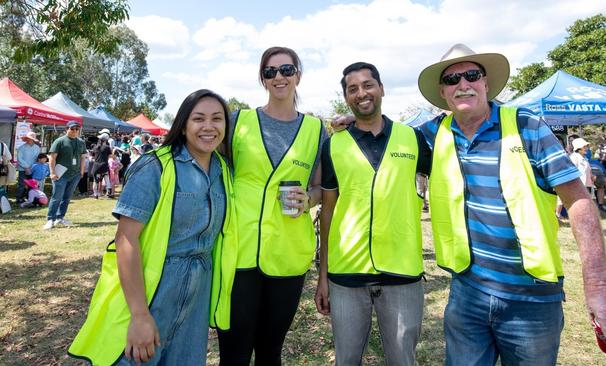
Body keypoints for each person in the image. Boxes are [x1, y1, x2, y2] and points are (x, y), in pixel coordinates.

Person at [415, 44, 606, 365]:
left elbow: (580, 201)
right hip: (467, 292)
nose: (463, 84)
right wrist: (352, 123)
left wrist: (599, 287)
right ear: (443, 92)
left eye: (471, 75)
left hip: (531, 298)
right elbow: (385, 137)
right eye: (452, 79)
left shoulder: (527, 126)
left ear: (486, 83)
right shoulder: (432, 134)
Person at [68, 89, 237, 365]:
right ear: (183, 126)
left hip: (196, 299)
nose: (209, 126)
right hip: (152, 293)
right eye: (199, 119)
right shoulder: (154, 166)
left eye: (217, 119)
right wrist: (140, 315)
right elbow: (126, 239)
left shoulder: (224, 171)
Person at [217, 46, 327, 365]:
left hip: (287, 254)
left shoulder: (316, 129)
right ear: (263, 79)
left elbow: (319, 187)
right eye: (270, 72)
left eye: (286, 70)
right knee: (234, 354)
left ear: (298, 76)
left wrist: (311, 198)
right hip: (239, 252)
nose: (279, 77)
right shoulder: (238, 121)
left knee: (270, 352)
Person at [315, 62, 430, 365]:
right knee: (346, 359)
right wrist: (323, 276)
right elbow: (327, 213)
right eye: (352, 89)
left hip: (402, 272)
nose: (361, 93)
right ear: (346, 97)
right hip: (346, 274)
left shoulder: (413, 138)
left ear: (381, 89)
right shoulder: (334, 145)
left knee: (403, 360)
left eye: (368, 85)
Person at [44, 121, 87, 230]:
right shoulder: (59, 141)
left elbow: (83, 157)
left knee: (67, 198)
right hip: (60, 174)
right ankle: (50, 219)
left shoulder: (81, 142)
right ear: (66, 129)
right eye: (72, 129)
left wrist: (82, 171)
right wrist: (52, 173)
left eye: (77, 129)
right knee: (56, 197)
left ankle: (60, 217)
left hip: (75, 174)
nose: (74, 131)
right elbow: (52, 158)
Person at [16, 131, 41, 203]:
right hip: (23, 169)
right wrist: (26, 167)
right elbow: (20, 159)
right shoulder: (21, 148)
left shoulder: (37, 148)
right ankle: (19, 198)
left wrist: (35, 167)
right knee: (22, 184)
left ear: (33, 140)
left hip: (33, 169)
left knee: (32, 184)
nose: (29, 140)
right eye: (28, 138)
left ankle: (30, 198)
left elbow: (38, 158)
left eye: (30, 139)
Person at [91, 133, 112, 199]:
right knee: (106, 177)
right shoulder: (107, 147)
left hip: (96, 165)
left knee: (95, 181)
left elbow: (93, 155)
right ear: (106, 140)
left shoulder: (95, 147)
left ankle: (95, 195)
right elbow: (109, 156)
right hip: (104, 165)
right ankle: (108, 192)